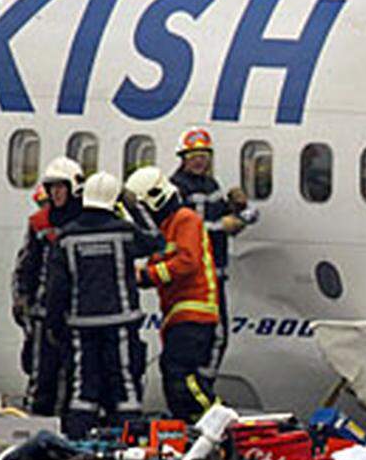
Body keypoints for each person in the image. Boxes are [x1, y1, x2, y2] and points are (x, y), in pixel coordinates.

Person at [45, 173, 163, 438]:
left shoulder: (66, 237)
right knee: (124, 384)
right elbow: (157, 241)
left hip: (81, 324)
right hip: (119, 321)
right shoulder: (124, 231)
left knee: (82, 387)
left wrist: (54, 325)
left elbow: (57, 288)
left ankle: (77, 438)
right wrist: (136, 206)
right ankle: (127, 437)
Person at [126, 166, 220, 422]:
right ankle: (188, 422)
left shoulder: (185, 219)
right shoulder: (166, 228)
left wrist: (148, 275)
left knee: (182, 373)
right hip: (180, 313)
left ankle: (214, 419)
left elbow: (186, 262)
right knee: (174, 371)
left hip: (194, 310)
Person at [170, 127, 252, 379]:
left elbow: (217, 218)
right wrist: (221, 227)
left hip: (214, 275)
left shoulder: (211, 185)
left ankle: (204, 386)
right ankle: (196, 391)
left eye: (204, 155)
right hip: (193, 277)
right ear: (183, 157)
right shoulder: (177, 189)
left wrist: (235, 209)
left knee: (218, 336)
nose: (199, 160)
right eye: (194, 155)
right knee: (200, 336)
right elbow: (180, 230)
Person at [11, 157, 84, 416]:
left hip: (76, 315)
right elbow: (25, 268)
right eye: (52, 188)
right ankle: (35, 430)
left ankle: (69, 433)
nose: (56, 193)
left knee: (76, 380)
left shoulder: (85, 223)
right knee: (43, 379)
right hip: (43, 315)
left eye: (61, 187)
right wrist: (22, 303)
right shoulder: (40, 223)